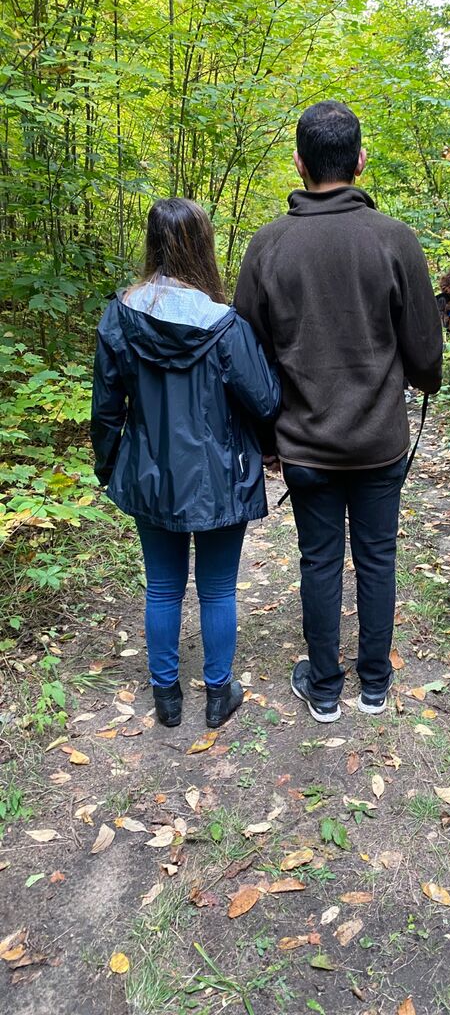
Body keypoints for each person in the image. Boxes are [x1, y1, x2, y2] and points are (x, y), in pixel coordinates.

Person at [234, 100, 442, 724]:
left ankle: (324, 688)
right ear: (359, 159)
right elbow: (426, 355)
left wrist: (266, 434)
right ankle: (374, 686)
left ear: (298, 162)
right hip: (379, 442)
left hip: (303, 444)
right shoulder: (395, 240)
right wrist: (417, 376)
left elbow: (247, 353)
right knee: (378, 557)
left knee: (319, 560)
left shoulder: (268, 246)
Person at [91, 198, 281, 729]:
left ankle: (167, 698)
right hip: (220, 478)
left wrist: (109, 467)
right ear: (203, 246)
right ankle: (219, 695)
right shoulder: (225, 326)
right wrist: (268, 450)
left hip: (150, 477)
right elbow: (265, 400)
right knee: (218, 588)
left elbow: (106, 407)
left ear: (153, 243)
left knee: (162, 586)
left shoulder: (120, 316)